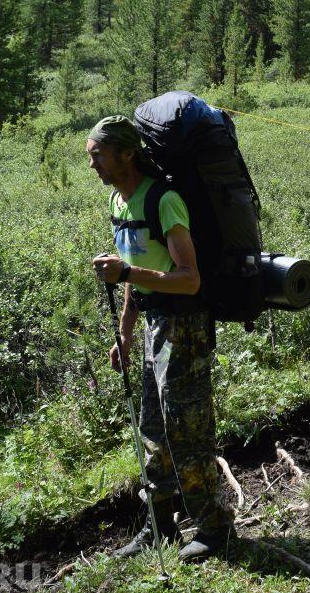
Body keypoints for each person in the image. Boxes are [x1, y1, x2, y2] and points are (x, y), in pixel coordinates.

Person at [86, 115, 233, 563]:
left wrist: (126, 271)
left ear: (125, 154)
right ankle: (159, 526)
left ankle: (214, 527)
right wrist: (124, 335)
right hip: (153, 327)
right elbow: (134, 277)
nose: (92, 164)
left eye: (97, 155)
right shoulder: (119, 201)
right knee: (152, 429)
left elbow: (188, 280)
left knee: (185, 431)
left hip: (183, 326)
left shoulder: (164, 200)